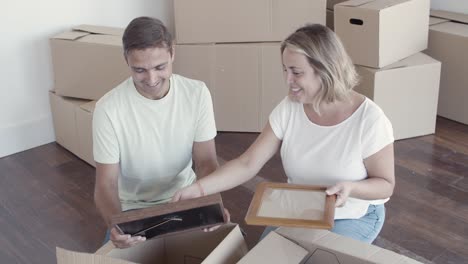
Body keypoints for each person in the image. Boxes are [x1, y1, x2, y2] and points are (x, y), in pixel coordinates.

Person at [172, 24, 395, 244]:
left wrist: (352, 187)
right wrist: (199, 189)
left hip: (353, 214)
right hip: (302, 208)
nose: (288, 80)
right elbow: (247, 163)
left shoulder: (370, 120)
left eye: (296, 72)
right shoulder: (290, 108)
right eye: (285, 70)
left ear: (326, 70)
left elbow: (385, 184)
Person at [93, 16, 219, 248]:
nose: (151, 79)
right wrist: (117, 224)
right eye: (139, 70)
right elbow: (105, 185)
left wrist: (209, 205)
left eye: (160, 67)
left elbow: (206, 161)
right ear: (126, 60)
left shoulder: (197, 93)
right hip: (133, 209)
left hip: (185, 197)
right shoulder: (107, 109)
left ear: (172, 53)